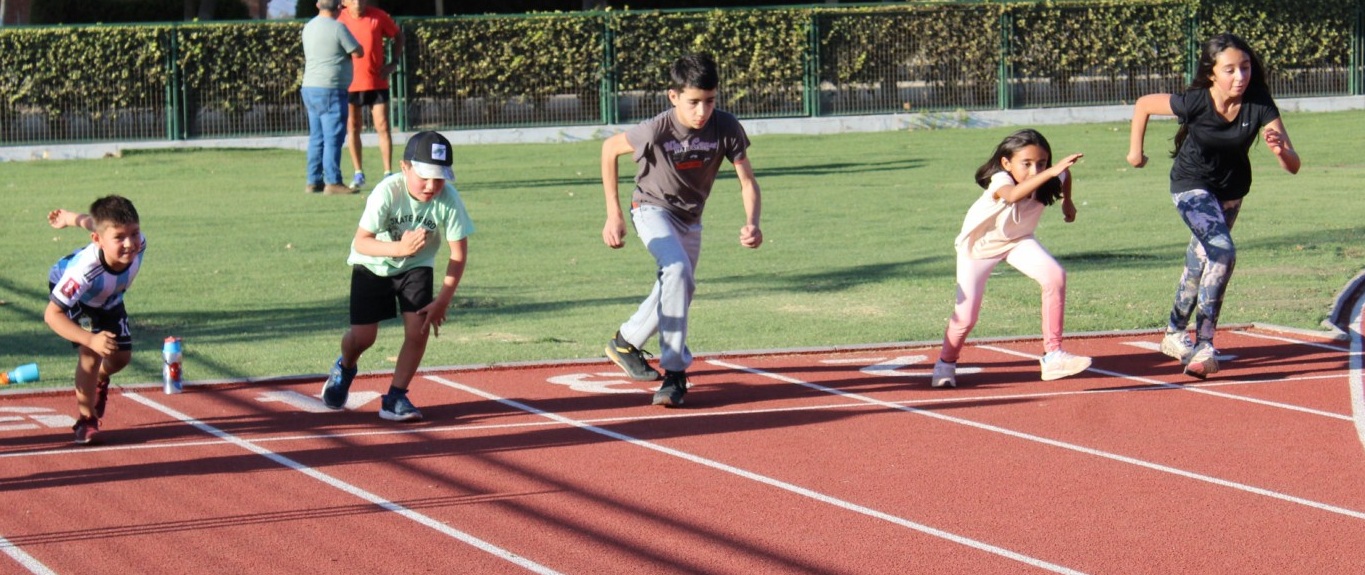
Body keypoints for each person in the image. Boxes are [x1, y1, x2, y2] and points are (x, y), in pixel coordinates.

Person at [1127, 32, 1300, 379]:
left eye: (1246, 68)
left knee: (1201, 261)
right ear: (1212, 73)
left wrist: (1281, 150)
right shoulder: (1195, 101)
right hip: (1191, 187)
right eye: (1230, 70)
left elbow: (1294, 164)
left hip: (1232, 193)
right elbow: (1145, 103)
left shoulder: (1260, 102)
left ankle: (1175, 334)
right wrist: (1135, 153)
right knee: (1222, 252)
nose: (1240, 77)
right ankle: (1205, 343)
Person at [600, 53, 763, 407]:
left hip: (691, 218)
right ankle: (675, 372)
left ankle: (625, 341)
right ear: (673, 97)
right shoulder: (657, 128)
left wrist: (753, 223)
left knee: (680, 283)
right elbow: (609, 149)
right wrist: (614, 214)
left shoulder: (726, 127)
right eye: (693, 103)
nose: (702, 112)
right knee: (675, 271)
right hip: (651, 208)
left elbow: (747, 181)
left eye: (710, 101)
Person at [321, 131, 474, 421]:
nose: (431, 186)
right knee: (363, 337)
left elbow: (458, 254)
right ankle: (345, 367)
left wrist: (443, 300)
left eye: (439, 178)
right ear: (405, 168)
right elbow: (361, 242)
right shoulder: (387, 192)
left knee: (419, 329)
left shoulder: (449, 199)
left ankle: (395, 397)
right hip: (373, 265)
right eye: (424, 176)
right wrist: (399, 247)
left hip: (417, 266)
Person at [931, 129, 1091, 388]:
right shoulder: (1000, 179)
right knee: (966, 316)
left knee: (1055, 276)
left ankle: (1053, 355)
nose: (1035, 170)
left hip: (1018, 241)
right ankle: (945, 363)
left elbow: (1065, 174)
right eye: (1026, 164)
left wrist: (1067, 202)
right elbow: (1013, 195)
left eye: (1041, 163)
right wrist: (1050, 172)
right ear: (1007, 163)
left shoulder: (1053, 174)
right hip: (978, 249)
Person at [44, 196, 146, 445]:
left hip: (109, 296)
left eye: (134, 233)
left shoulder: (139, 244)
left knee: (121, 357)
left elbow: (97, 224)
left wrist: (70, 218)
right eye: (120, 238)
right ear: (98, 242)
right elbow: (51, 315)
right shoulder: (83, 272)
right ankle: (86, 418)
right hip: (74, 295)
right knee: (91, 353)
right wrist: (90, 338)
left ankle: (99, 379)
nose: (130, 244)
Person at [339, 0, 404, 191]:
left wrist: (394, 62)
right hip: (350, 84)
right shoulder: (339, 20)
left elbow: (398, 36)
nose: (357, 2)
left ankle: (387, 173)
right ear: (344, 2)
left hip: (376, 82)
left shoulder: (378, 16)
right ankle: (358, 173)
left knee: (383, 126)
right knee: (353, 127)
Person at [301, 0, 363, 196]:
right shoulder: (338, 28)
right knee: (333, 138)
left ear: (318, 6)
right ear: (338, 9)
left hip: (310, 87)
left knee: (316, 137)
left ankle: (313, 180)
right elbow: (357, 51)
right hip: (331, 88)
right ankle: (333, 181)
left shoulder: (309, 27)